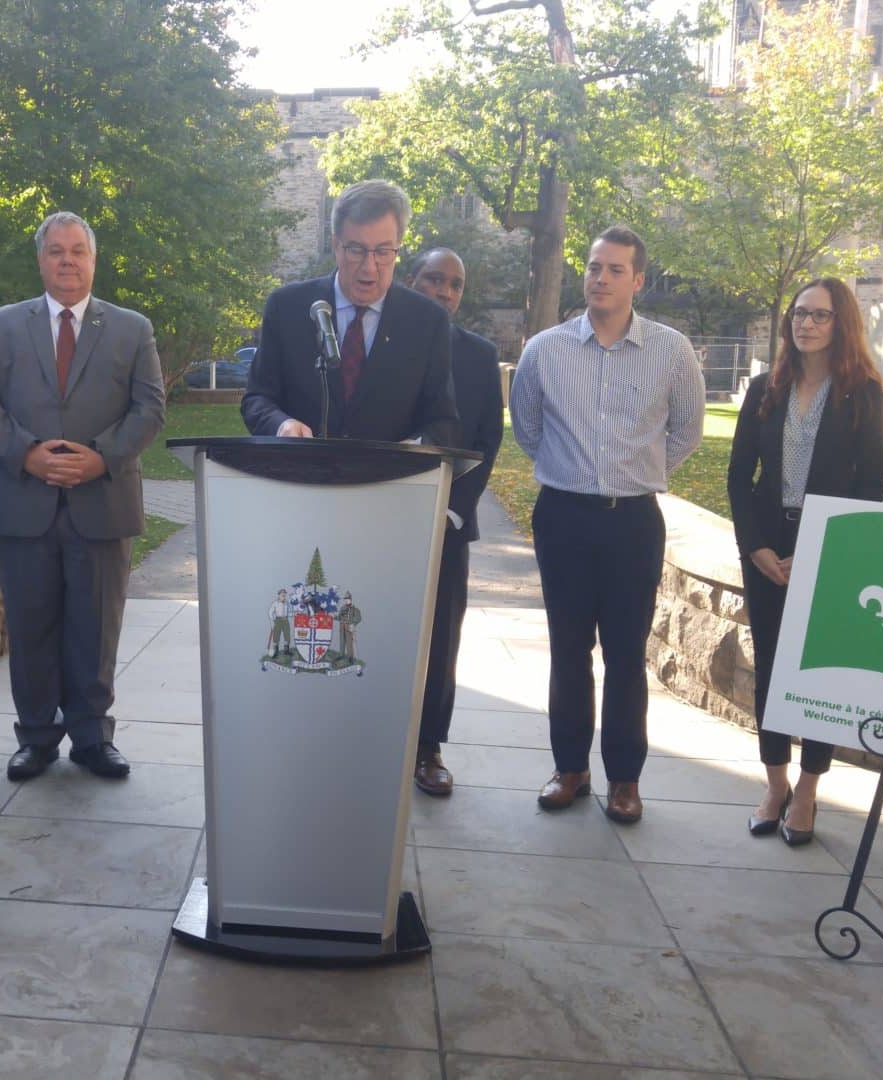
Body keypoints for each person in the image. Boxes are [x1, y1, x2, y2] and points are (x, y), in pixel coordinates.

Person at [511, 225, 705, 825]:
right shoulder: (545, 350)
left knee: (625, 654)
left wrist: (636, 472)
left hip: (633, 523)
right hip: (564, 518)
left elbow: (687, 431)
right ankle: (569, 769)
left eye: (615, 269)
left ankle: (625, 779)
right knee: (568, 650)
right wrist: (574, 472)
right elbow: (527, 427)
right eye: (594, 267)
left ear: (637, 280)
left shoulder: (671, 351)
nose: (601, 278)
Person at [0, 211, 166, 780]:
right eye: (57, 251)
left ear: (93, 260)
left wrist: (101, 457)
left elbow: (150, 408)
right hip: (22, 501)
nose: (68, 261)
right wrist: (27, 453)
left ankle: (93, 738)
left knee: (96, 629)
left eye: (78, 251)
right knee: (31, 628)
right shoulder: (1, 326)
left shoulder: (132, 329)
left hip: (102, 501)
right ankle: (35, 737)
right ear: (41, 260)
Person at [726, 277, 883, 845]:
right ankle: (775, 785)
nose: (806, 324)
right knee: (770, 667)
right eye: (799, 313)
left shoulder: (863, 393)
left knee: (820, 674)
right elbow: (739, 475)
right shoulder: (764, 389)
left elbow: (871, 486)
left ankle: (810, 790)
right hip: (767, 548)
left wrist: (826, 550)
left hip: (830, 546)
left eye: (819, 315)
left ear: (842, 324)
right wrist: (755, 545)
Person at [241, 179, 459, 446]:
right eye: (356, 250)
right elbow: (257, 399)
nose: (369, 267)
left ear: (398, 248)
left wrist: (411, 450)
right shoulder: (286, 307)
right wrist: (281, 425)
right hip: (300, 469)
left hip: (388, 472)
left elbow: (443, 421)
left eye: (383, 251)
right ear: (336, 245)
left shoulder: (428, 321)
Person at [404, 248, 503, 796]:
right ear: (411, 281)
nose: (445, 292)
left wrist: (451, 508)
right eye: (434, 280)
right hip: (376, 519)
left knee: (441, 639)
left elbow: (487, 440)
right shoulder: (383, 344)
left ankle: (429, 748)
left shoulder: (479, 355)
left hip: (448, 521)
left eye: (455, 284)